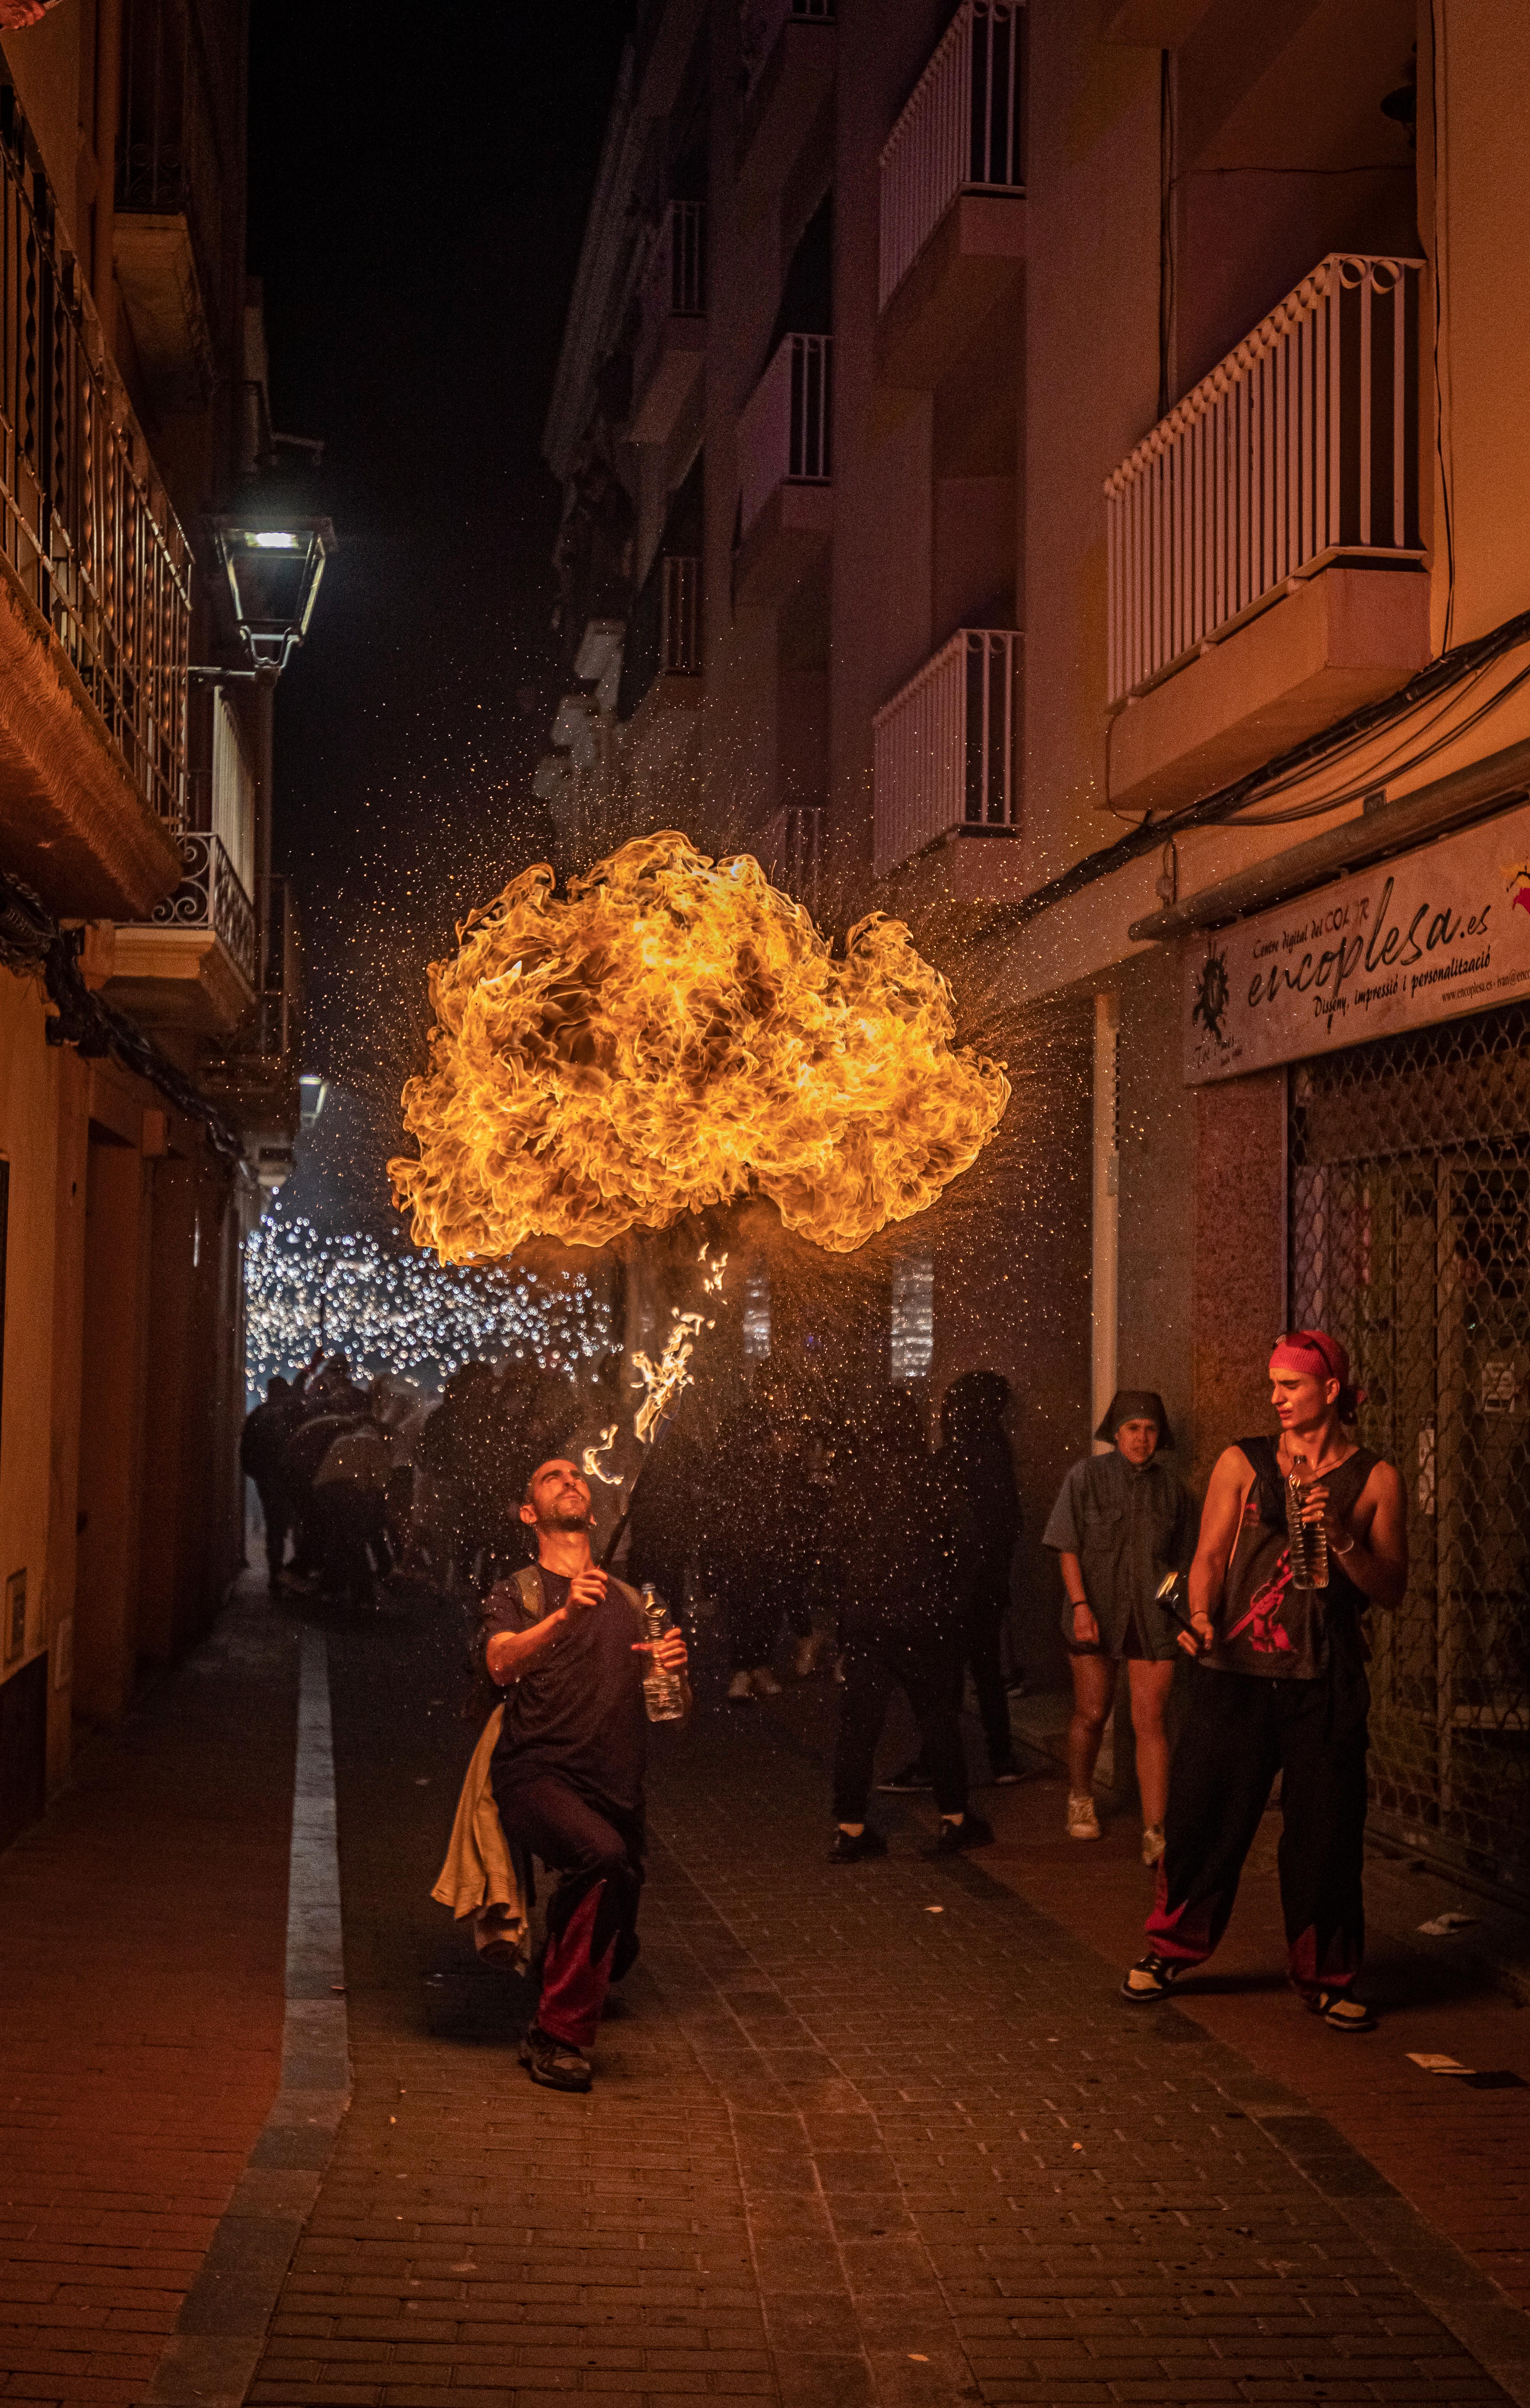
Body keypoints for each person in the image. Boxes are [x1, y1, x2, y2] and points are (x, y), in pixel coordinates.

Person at [1122, 1330, 1407, 2032]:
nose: (1276, 1397)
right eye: (1272, 1384)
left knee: (1325, 1835)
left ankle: (1328, 1975)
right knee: (1203, 1817)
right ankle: (1170, 1949)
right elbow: (1211, 1554)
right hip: (1236, 1674)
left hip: (1324, 1679)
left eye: (1292, 1385)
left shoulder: (1376, 1480)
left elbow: (1393, 1587)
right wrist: (1196, 1611)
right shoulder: (1241, 1461)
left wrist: (1341, 1535)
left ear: (1331, 1391)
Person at [482, 1457, 690, 2093]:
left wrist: (673, 1670)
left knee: (616, 1936)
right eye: (551, 1477)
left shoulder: (636, 1601)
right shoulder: (516, 1592)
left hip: (617, 1787)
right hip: (535, 1775)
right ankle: (555, 2034)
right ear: (530, 1513)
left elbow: (673, 1714)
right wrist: (566, 1616)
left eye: (578, 1475)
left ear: (595, 1511)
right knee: (601, 1859)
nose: (571, 1480)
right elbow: (500, 1664)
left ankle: (563, 1960)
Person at [829, 1390, 993, 1863]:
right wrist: (950, 1604)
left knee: (858, 1730)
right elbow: (967, 1547)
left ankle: (850, 1827)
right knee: (939, 1720)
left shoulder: (854, 1479)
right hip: (926, 1621)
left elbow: (834, 1549)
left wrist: (851, 1604)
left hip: (867, 1621)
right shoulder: (934, 1477)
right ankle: (955, 1819)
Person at [1043, 1389, 1197, 1861]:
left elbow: (1182, 1561)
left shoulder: (1173, 1490)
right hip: (1096, 1612)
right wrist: (1081, 1605)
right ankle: (1080, 1798)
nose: (1142, 1438)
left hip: (1151, 1621)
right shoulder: (1086, 1477)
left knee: (1151, 1722)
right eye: (1132, 1428)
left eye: (1150, 1429)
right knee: (1091, 1712)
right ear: (1116, 1432)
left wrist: (1176, 1612)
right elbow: (1067, 1546)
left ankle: (1155, 1829)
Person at [881, 1370, 1023, 1791]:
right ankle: (1002, 1758)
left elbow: (935, 1529)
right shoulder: (997, 1454)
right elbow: (1007, 1525)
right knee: (986, 1672)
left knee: (943, 1682)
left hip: (953, 1590)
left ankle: (934, 1763)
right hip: (987, 1588)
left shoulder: (953, 1458)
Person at [240, 1377, 300, 1588]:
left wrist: (259, 1475)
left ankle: (276, 1574)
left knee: (274, 1528)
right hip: (292, 1479)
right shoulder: (294, 1413)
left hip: (267, 1479)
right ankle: (296, 1573)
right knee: (300, 1524)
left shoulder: (258, 1415)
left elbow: (246, 1452)